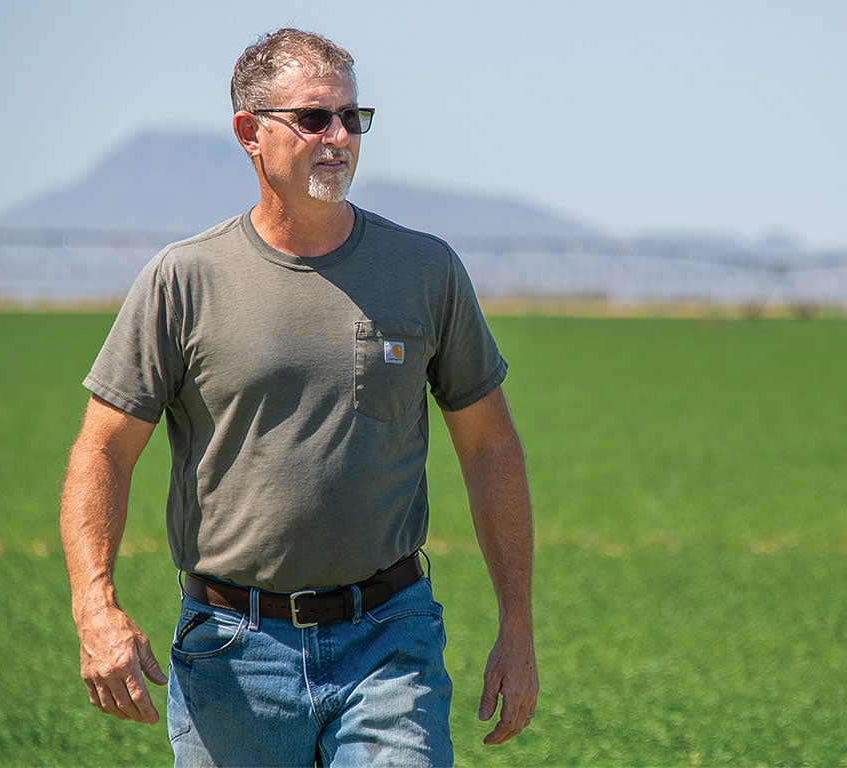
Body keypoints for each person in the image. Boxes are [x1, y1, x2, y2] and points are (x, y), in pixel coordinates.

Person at [59, 27, 538, 767]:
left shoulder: (426, 270)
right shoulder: (183, 280)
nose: (340, 136)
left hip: (390, 640)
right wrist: (96, 605)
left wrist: (517, 626)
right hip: (232, 652)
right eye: (315, 118)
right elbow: (103, 449)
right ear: (250, 133)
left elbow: (490, 446)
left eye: (354, 118)